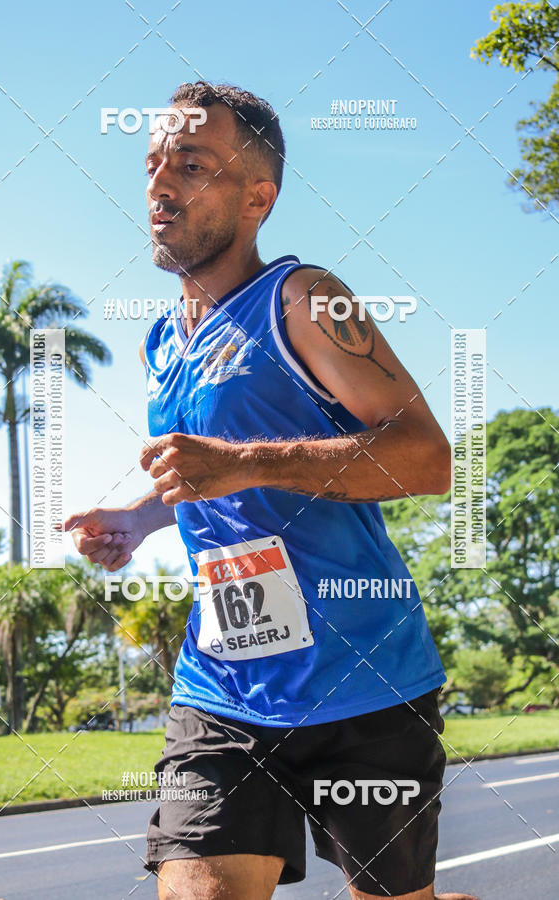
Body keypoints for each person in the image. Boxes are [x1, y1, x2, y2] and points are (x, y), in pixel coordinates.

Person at [65, 82, 480, 900]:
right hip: (223, 686)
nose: (159, 185)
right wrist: (140, 516)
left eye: (191, 163)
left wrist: (247, 461)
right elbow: (201, 471)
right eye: (152, 164)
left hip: (364, 678)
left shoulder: (303, 299)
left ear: (258, 197)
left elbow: (427, 460)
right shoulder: (163, 340)